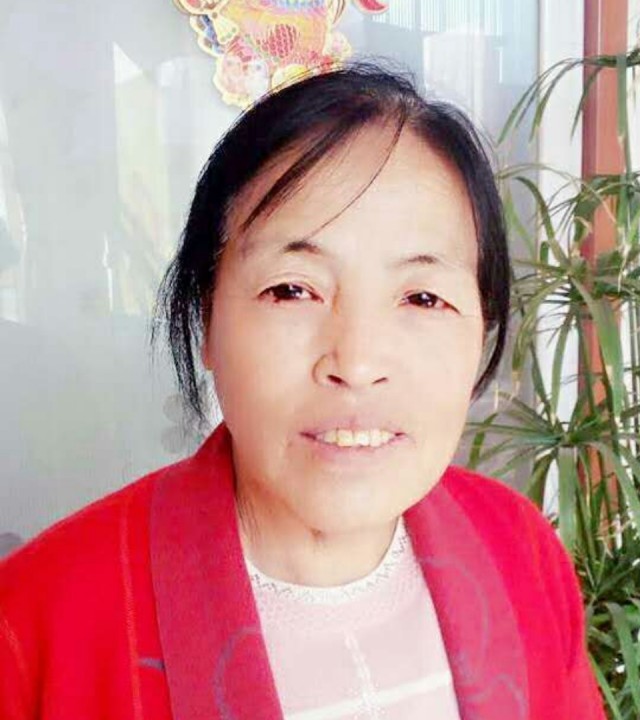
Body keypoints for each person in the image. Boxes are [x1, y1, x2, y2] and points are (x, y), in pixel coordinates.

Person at [0, 63, 606, 719]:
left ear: (481, 332)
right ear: (207, 320)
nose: (358, 362)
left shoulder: (520, 551)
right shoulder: (36, 622)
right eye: (293, 289)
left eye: (422, 297)